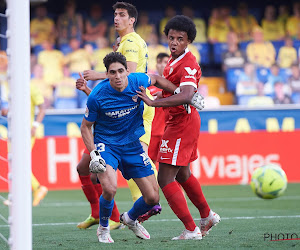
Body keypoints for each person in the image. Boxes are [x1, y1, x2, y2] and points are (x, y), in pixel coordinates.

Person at [80, 51, 202, 243]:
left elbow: (156, 79)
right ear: (108, 74)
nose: (118, 76)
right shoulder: (96, 95)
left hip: (132, 145)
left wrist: (180, 93)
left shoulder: (138, 81)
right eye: (113, 73)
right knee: (110, 188)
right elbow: (85, 127)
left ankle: (130, 218)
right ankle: (104, 228)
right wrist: (95, 154)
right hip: (107, 145)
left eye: (121, 71)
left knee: (153, 198)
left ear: (127, 71)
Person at [76, 2, 160, 230]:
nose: (116, 18)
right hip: (116, 113)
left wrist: (96, 75)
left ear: (132, 19)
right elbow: (114, 91)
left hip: (133, 109)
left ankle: (136, 211)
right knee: (86, 168)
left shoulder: (131, 42)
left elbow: (128, 76)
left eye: (122, 15)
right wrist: (88, 91)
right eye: (115, 14)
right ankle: (102, 214)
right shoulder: (124, 42)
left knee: (133, 161)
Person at [137, 15, 219, 240]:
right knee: (183, 173)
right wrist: (154, 84)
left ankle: (191, 229)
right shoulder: (174, 60)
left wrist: (154, 101)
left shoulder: (189, 63)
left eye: (180, 39)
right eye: (171, 37)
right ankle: (207, 215)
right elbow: (175, 90)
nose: (174, 42)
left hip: (182, 124)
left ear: (188, 41)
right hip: (179, 121)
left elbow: (185, 94)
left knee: (165, 178)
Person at [3, 82, 48, 206]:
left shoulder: (31, 87)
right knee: (14, 163)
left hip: (26, 131)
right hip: (13, 131)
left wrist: (35, 126)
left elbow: (42, 108)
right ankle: (18, 195)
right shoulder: (11, 86)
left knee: (19, 163)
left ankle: (36, 188)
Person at [147, 53, 169, 164]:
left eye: (165, 62)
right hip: (153, 132)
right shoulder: (149, 84)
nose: (162, 65)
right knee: (150, 163)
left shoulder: (174, 85)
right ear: (156, 65)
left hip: (169, 132)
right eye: (159, 62)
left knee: (170, 165)